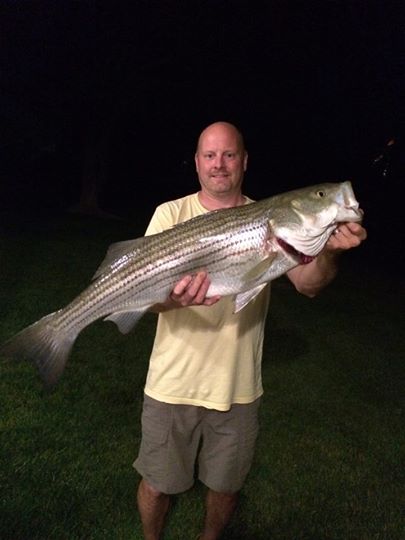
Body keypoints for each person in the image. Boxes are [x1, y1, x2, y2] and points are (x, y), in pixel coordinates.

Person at [133, 121, 367, 540]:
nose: (219, 164)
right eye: (210, 155)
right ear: (197, 163)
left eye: (229, 155)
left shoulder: (273, 219)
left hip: (237, 388)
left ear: (244, 161)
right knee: (157, 483)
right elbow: (145, 297)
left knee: (226, 487)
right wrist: (174, 300)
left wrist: (330, 251)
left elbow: (309, 285)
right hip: (172, 384)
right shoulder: (170, 214)